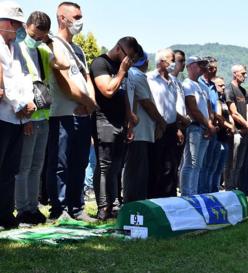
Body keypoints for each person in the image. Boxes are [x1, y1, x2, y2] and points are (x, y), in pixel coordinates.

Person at [15, 11, 69, 225]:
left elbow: (63, 64)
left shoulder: (44, 48)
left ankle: (33, 206)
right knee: (24, 166)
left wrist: (50, 40)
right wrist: (25, 118)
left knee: (37, 165)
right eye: (34, 35)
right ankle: (22, 209)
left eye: (41, 36)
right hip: (27, 115)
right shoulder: (18, 48)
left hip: (44, 114)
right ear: (27, 27)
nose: (36, 39)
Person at [46, 2, 96, 221]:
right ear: (61, 18)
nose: (79, 21)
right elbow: (64, 82)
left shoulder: (78, 49)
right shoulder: (53, 44)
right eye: (76, 17)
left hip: (83, 115)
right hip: (62, 114)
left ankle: (77, 206)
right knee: (60, 163)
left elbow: (86, 78)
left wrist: (91, 102)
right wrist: (86, 101)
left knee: (80, 162)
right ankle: (60, 207)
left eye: (81, 16)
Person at [90, 36, 140, 219]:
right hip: (103, 120)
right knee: (104, 166)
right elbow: (108, 91)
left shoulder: (123, 69)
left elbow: (123, 93)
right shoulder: (100, 63)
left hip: (120, 122)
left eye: (133, 59)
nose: (130, 62)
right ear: (119, 49)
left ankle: (113, 204)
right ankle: (103, 207)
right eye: (129, 57)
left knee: (117, 166)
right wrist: (120, 71)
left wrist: (129, 120)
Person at [0, 1, 36, 229]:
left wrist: (28, 104)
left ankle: (4, 214)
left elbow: (25, 78)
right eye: (14, 23)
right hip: (3, 113)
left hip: (17, 117)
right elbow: (4, 83)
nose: (17, 28)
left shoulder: (17, 49)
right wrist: (20, 103)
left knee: (10, 170)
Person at [124, 50, 164, 203]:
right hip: (140, 131)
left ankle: (133, 199)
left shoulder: (131, 74)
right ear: (146, 62)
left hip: (139, 129)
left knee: (135, 169)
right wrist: (161, 122)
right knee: (137, 170)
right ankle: (134, 201)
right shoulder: (138, 76)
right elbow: (147, 102)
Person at [147, 48, 181, 198]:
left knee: (171, 166)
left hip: (171, 127)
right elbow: (148, 103)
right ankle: (155, 198)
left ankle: (169, 197)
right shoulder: (149, 78)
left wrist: (178, 127)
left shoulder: (173, 81)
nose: (174, 63)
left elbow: (174, 105)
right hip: (156, 126)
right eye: (171, 59)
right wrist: (159, 123)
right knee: (156, 165)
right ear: (161, 61)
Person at [179, 56, 215, 196]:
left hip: (204, 127)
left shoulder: (202, 86)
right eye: (199, 64)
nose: (203, 67)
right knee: (190, 162)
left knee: (198, 164)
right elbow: (193, 108)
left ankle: (193, 193)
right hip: (194, 126)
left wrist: (209, 125)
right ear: (190, 66)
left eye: (203, 64)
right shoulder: (187, 84)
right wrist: (208, 125)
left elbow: (208, 109)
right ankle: (186, 194)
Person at [224, 64, 248, 192]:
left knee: (239, 164)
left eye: (245, 73)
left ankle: (235, 188)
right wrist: (246, 125)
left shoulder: (243, 91)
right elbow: (233, 112)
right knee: (232, 162)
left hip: (245, 131)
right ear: (235, 73)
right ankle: (229, 188)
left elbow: (247, 109)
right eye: (243, 73)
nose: (245, 76)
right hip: (236, 132)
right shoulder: (229, 89)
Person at [198, 56, 220, 194]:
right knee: (200, 163)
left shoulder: (213, 86)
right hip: (202, 127)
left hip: (213, 127)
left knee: (210, 163)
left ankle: (208, 191)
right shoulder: (199, 83)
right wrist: (207, 125)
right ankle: (200, 191)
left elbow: (213, 107)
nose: (215, 70)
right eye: (213, 68)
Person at [211, 76, 235, 191]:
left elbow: (228, 115)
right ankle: (211, 189)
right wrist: (229, 126)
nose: (223, 87)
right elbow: (219, 116)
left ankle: (215, 189)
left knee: (220, 167)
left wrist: (232, 126)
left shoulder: (223, 100)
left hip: (225, 137)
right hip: (218, 137)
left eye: (224, 85)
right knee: (213, 167)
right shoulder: (215, 100)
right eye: (220, 85)